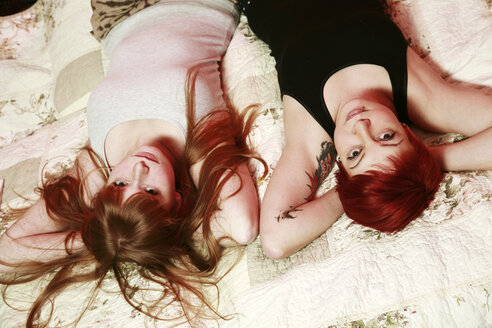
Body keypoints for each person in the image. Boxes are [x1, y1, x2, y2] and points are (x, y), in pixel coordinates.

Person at [0, 0, 266, 326]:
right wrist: (159, 238)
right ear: (177, 201)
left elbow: (6, 253)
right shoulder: (199, 150)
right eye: (152, 191)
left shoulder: (98, 167)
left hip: (118, 12)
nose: (138, 168)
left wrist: (102, 238)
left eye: (121, 184)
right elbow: (243, 226)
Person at [239, 0, 492, 259]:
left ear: (341, 167)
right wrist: (427, 160)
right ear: (408, 132)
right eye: (386, 137)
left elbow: (276, 240)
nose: (361, 126)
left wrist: (356, 192)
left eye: (355, 154)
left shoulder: (310, 136)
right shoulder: (426, 100)